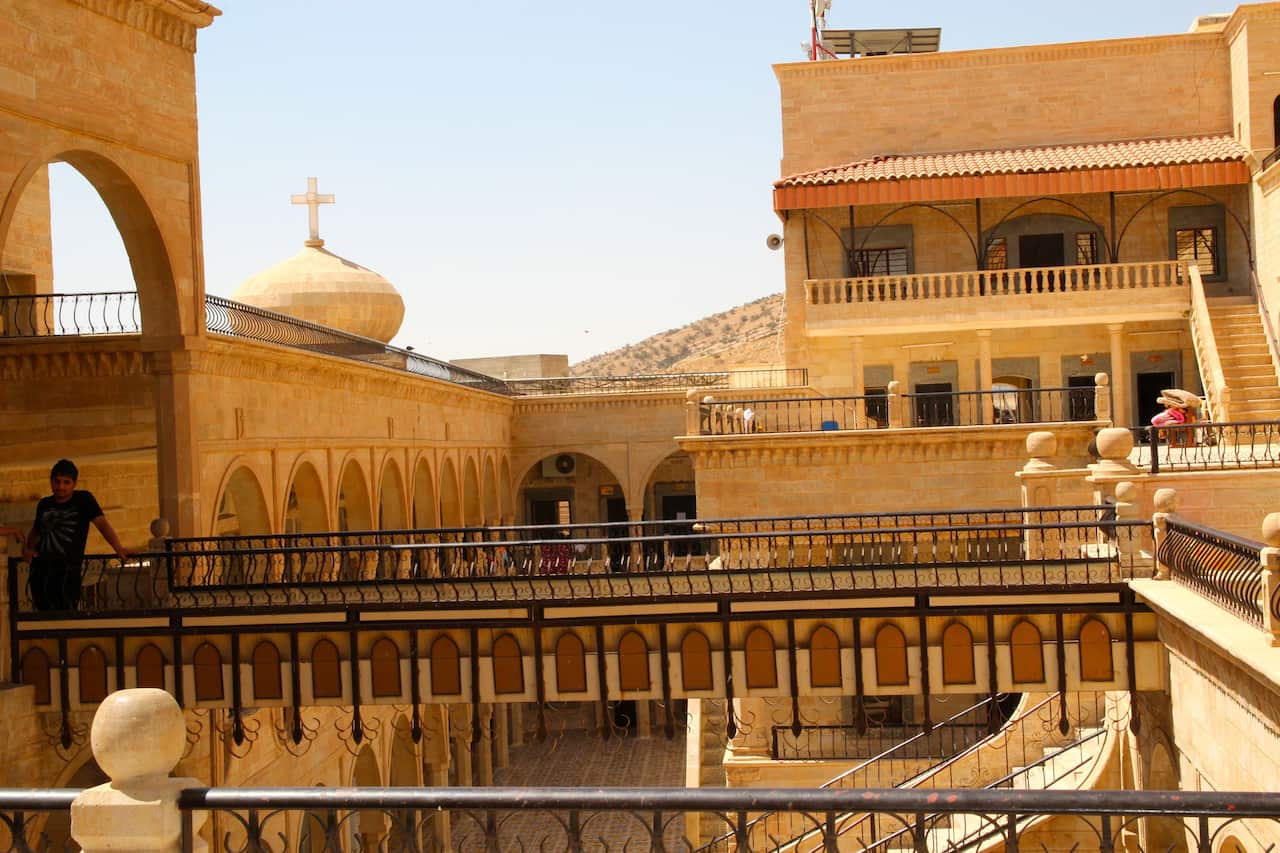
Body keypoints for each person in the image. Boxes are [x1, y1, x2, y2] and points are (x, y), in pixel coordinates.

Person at [22, 459, 130, 611]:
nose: (61, 487)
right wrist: (29, 549)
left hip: (68, 572)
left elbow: (102, 524)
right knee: (43, 617)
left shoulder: (84, 500)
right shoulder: (44, 504)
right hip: (41, 572)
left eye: (66, 482)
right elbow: (36, 530)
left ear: (74, 484)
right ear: (51, 481)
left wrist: (118, 548)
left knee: (67, 615)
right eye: (57, 481)